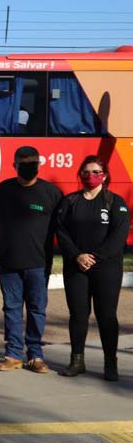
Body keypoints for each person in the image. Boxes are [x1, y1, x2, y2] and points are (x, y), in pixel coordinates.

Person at [55, 156, 130, 381]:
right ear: (80, 174)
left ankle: (110, 363)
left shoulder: (115, 202)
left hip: (106, 269)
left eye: (96, 171)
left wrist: (94, 258)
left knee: (106, 315)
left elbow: (119, 236)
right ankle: (77, 360)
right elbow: (61, 231)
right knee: (78, 315)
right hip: (76, 267)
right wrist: (77, 256)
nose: (90, 176)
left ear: (104, 175)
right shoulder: (69, 202)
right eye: (86, 172)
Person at [0, 146, 62, 373]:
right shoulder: (3, 190)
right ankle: (12, 355)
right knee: (11, 309)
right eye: (24, 163)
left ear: (39, 165)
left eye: (32, 163)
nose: (29, 167)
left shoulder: (51, 193)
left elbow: (61, 228)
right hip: (9, 262)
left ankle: (35, 355)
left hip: (39, 264)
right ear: (14, 165)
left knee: (37, 309)